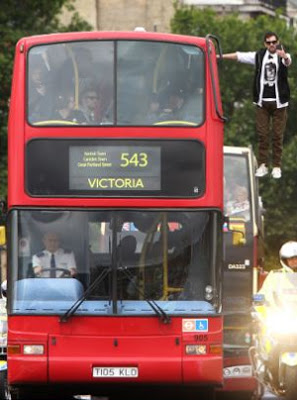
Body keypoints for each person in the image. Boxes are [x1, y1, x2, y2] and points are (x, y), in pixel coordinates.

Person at [221, 32, 292, 179]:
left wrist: (284, 56)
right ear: (265, 44)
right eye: (268, 42)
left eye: (274, 42)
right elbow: (240, 56)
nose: (271, 45)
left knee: (278, 135)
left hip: (279, 103)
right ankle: (263, 165)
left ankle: (277, 166)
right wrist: (220, 56)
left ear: (278, 42)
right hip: (262, 102)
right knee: (263, 135)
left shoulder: (283, 55)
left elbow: (288, 62)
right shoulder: (259, 56)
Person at [258, 241, 297, 306]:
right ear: (285, 260)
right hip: (279, 313)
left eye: (296, 258)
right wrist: (258, 302)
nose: (295, 261)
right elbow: (264, 292)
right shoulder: (275, 275)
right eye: (291, 259)